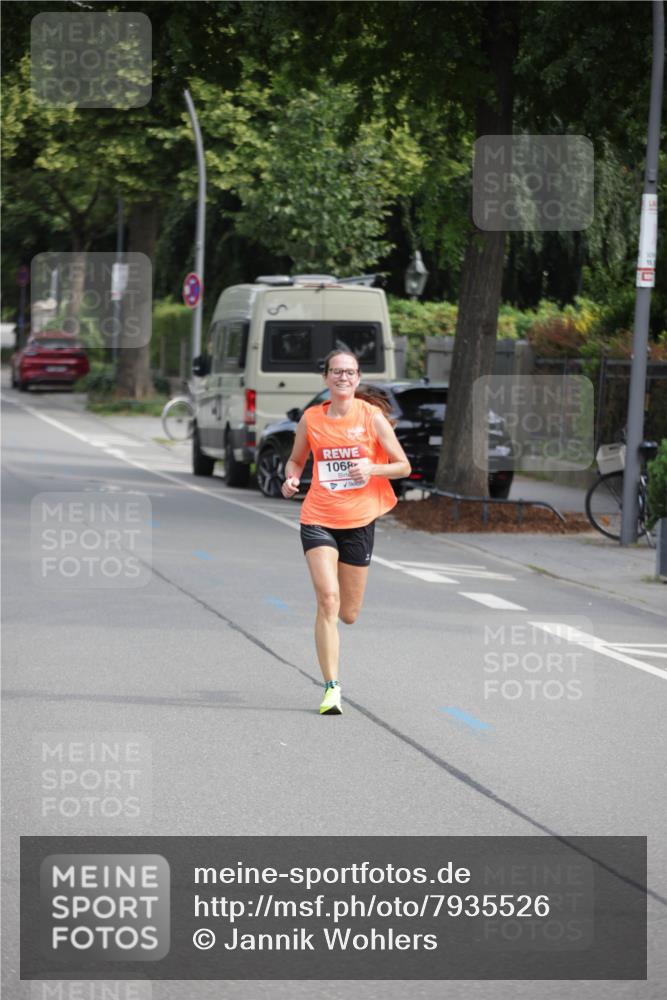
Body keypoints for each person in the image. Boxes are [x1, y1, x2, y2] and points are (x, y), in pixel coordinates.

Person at [281, 351, 411, 715]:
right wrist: (291, 478)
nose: (343, 377)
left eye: (349, 372)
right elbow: (296, 459)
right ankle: (331, 688)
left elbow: (403, 466)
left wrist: (370, 468)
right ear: (326, 378)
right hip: (318, 516)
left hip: (359, 520)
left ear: (357, 378)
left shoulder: (371, 417)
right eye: (336, 372)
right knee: (327, 600)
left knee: (349, 613)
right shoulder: (312, 418)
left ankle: (335, 641)